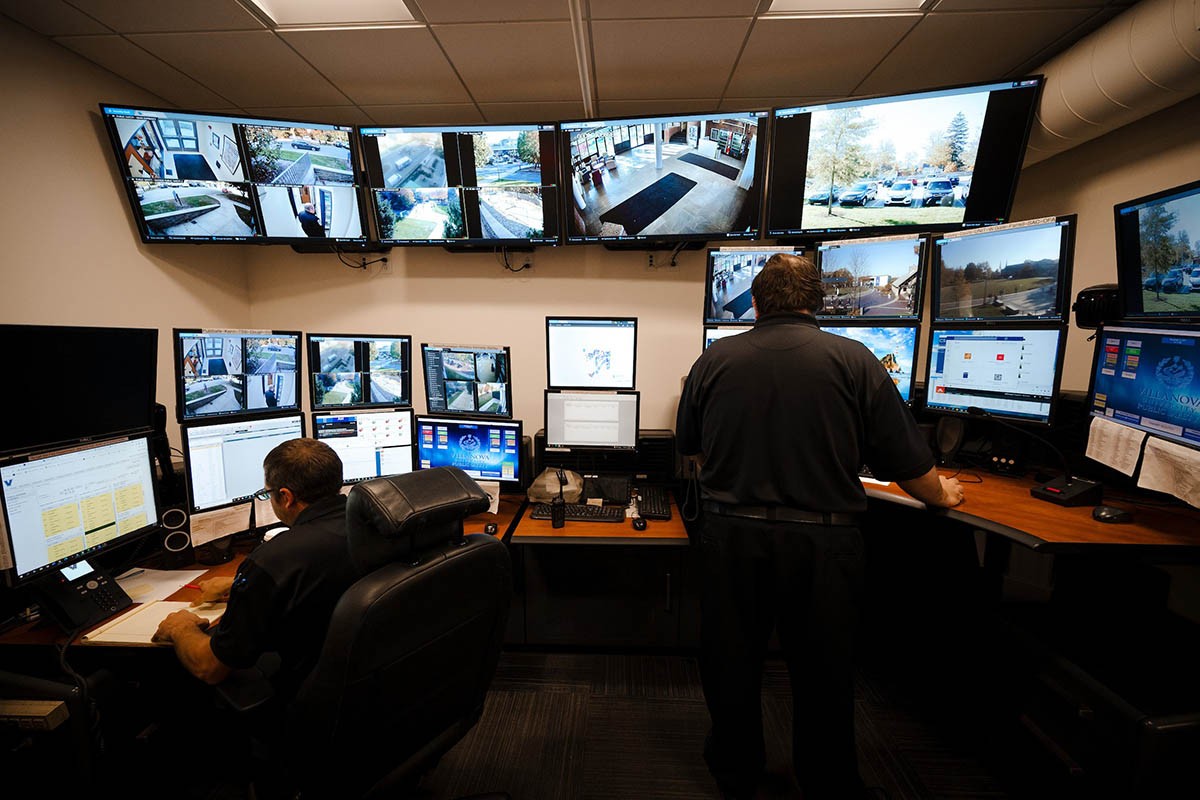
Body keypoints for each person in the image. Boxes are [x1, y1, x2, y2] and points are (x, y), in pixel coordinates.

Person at [676, 253, 964, 800]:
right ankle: (827, 781)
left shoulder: (712, 360)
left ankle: (737, 778)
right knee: (824, 675)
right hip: (825, 544)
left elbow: (688, 445)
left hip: (731, 539)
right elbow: (907, 464)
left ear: (755, 303)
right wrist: (942, 492)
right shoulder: (856, 361)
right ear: (818, 303)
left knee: (730, 667)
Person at [153, 438, 358, 735]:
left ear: (285, 497)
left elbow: (210, 668)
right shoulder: (372, 527)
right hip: (362, 688)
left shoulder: (273, 559)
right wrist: (240, 585)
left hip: (305, 703)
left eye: (268, 494)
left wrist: (180, 627)